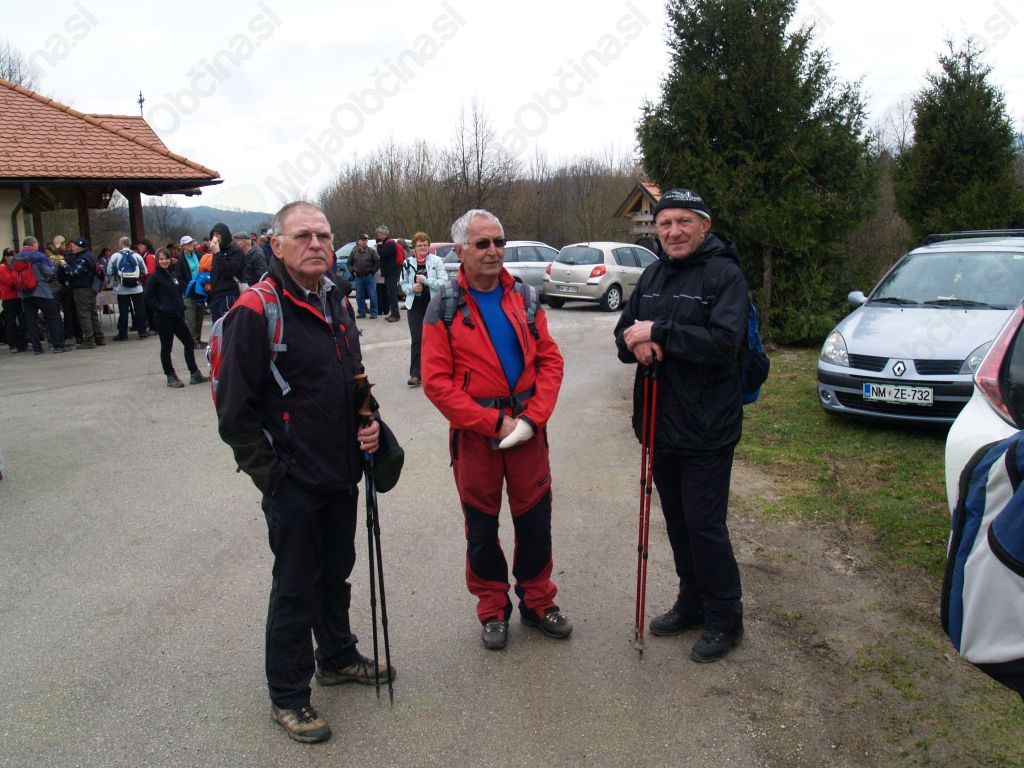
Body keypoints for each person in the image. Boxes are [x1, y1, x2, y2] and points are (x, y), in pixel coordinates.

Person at [213, 201, 394, 745]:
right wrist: (274, 477)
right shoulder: (255, 309)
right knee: (294, 587)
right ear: (277, 245)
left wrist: (369, 422)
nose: (316, 244)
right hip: (292, 481)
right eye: (303, 236)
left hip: (341, 470)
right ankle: (289, 695)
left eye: (323, 235)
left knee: (335, 572)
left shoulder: (336, 298)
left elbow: (352, 376)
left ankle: (336, 656)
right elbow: (234, 414)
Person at [421, 209, 571, 650]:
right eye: (482, 243)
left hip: (527, 432)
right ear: (460, 250)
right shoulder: (444, 305)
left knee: (535, 521)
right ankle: (492, 609)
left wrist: (533, 418)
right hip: (476, 438)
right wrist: (492, 422)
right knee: (482, 528)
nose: (493, 251)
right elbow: (436, 383)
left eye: (499, 242)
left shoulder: (524, 297)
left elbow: (551, 361)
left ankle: (538, 601)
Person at [613, 187, 747, 663]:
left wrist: (660, 332)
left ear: (704, 226)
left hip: (708, 427)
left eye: (684, 222)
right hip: (660, 424)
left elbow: (725, 344)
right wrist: (636, 342)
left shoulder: (724, 275)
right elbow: (623, 332)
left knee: (705, 526)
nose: (673, 231)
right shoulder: (653, 275)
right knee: (677, 523)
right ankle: (691, 602)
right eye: (665, 223)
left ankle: (725, 617)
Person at [143, 248, 207, 388]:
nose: (164, 261)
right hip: (163, 318)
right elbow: (148, 297)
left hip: (177, 316)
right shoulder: (154, 278)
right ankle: (170, 376)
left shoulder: (171, 275)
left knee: (189, 342)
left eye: (166, 258)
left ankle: (194, 373)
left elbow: (176, 294)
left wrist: (180, 307)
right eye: (161, 259)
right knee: (167, 347)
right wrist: (161, 307)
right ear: (157, 260)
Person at [400, 231, 447, 387]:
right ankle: (415, 374)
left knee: (435, 340)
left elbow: (443, 283)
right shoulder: (407, 263)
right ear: (414, 247)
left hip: (433, 306)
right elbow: (403, 284)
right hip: (414, 307)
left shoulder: (437, 261)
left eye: (425, 245)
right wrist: (412, 288)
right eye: (419, 245)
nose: (422, 248)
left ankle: (436, 372)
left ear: (429, 246)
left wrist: (426, 280)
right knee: (417, 340)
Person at [14, 236, 69, 354]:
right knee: (52, 317)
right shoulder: (39, 256)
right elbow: (48, 272)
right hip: (41, 291)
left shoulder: (16, 257)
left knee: (31, 321)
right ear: (34, 243)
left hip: (25, 293)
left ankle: (37, 348)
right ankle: (58, 345)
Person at [62, 237, 106, 349]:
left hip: (82, 289)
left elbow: (73, 272)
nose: (72, 248)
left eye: (73, 246)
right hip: (91, 288)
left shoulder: (82, 259)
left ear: (79, 247)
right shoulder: (91, 255)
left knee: (84, 314)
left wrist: (65, 265)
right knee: (93, 313)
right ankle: (99, 337)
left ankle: (89, 340)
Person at [107, 237, 149, 340]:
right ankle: (142, 332)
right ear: (130, 244)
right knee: (139, 310)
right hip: (137, 287)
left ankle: (123, 333)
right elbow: (145, 271)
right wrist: (135, 277)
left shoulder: (115, 256)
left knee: (123, 311)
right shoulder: (137, 255)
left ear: (120, 244)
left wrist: (118, 275)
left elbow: (109, 272)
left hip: (121, 288)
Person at [207, 223, 243, 322]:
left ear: (224, 234)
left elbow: (229, 271)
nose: (215, 237)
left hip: (228, 296)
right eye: (213, 235)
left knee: (226, 326)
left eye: (218, 234)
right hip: (216, 296)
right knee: (216, 328)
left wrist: (218, 253)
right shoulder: (218, 250)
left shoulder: (235, 250)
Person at [176, 235, 206, 347]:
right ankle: (191, 341)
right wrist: (187, 290)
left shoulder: (197, 255)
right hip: (189, 293)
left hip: (200, 291)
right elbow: (180, 278)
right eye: (188, 243)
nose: (191, 245)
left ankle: (198, 339)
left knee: (200, 317)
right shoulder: (181, 260)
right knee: (191, 318)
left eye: (191, 242)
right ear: (183, 246)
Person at [0, 248, 28, 352]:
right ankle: (12, 344)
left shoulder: (15, 266)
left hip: (18, 296)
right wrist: (18, 278)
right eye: (11, 255)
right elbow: (10, 280)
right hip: (9, 298)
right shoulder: (2, 268)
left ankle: (22, 343)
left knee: (22, 320)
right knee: (11, 322)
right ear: (6, 257)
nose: (14, 257)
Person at [349, 233, 379, 319]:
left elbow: (377, 261)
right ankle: (361, 312)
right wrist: (352, 271)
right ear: (358, 241)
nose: (365, 242)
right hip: (358, 277)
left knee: (372, 295)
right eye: (363, 240)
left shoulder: (372, 251)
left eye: (366, 240)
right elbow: (349, 263)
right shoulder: (354, 251)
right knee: (359, 296)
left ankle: (374, 313)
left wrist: (373, 271)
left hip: (369, 276)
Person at [375, 226, 401, 322]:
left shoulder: (390, 244)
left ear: (384, 234)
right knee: (390, 294)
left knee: (392, 294)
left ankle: (396, 315)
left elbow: (382, 253)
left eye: (379, 235)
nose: (378, 237)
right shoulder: (387, 243)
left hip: (392, 273)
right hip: (389, 273)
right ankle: (393, 313)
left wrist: (378, 245)